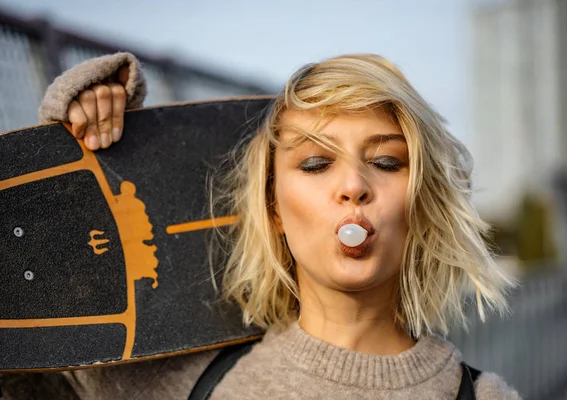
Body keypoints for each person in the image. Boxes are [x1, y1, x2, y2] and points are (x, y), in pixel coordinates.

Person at [2, 53, 520, 399]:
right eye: (316, 164)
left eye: (386, 162)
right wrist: (75, 152)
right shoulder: (180, 381)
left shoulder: (483, 397)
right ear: (273, 207)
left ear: (423, 201)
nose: (354, 186)